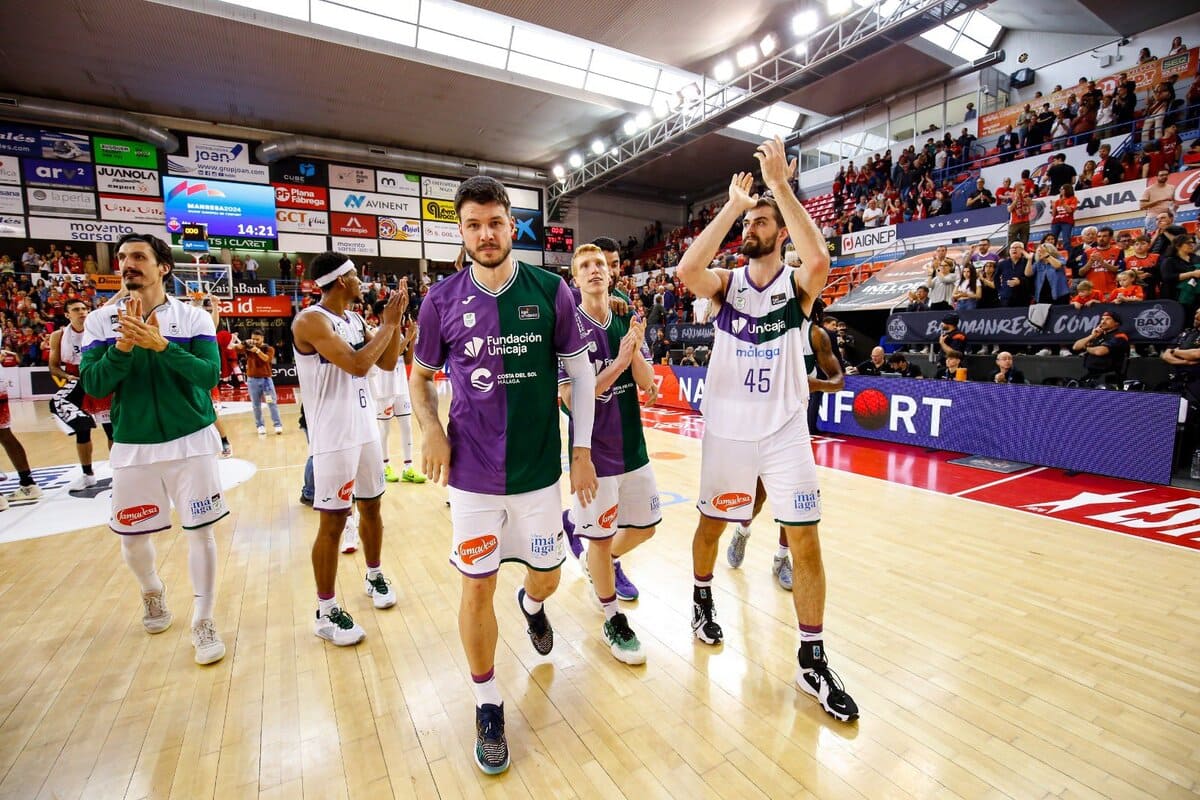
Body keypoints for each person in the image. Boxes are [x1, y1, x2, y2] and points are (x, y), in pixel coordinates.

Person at [409, 176, 598, 774]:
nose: (486, 235)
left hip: (541, 473)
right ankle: (487, 700)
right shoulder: (440, 300)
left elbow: (582, 375)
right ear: (460, 232)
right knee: (475, 585)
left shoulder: (551, 290)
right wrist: (430, 428)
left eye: (495, 222)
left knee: (546, 576)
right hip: (471, 477)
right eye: (473, 225)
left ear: (511, 225)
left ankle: (533, 606)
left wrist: (583, 449)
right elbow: (418, 377)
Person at [674, 137, 858, 722]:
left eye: (760, 222)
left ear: (780, 233)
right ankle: (702, 600)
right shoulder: (726, 285)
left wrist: (779, 186)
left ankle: (812, 658)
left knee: (807, 540)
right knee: (710, 526)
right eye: (747, 221)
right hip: (729, 430)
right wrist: (733, 205)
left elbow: (822, 261)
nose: (750, 227)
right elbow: (686, 270)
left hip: (782, 431)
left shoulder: (798, 289)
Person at [79, 233, 227, 665]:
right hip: (133, 445)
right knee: (132, 538)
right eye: (123, 257)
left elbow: (208, 376)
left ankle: (204, 617)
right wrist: (123, 348)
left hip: (192, 442)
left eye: (138, 256)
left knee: (201, 532)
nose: (128, 263)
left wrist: (161, 346)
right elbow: (94, 385)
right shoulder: (99, 323)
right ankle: (152, 590)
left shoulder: (194, 318)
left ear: (162, 267)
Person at [292, 253, 408, 649]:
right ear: (341, 280)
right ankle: (325, 611)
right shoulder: (311, 320)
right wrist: (388, 325)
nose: (363, 281)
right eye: (356, 275)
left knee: (372, 507)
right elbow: (358, 365)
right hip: (333, 437)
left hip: (365, 431)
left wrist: (398, 326)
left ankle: (374, 575)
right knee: (334, 522)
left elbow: (388, 363)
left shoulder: (356, 320)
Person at [559, 244, 659, 664]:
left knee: (647, 527)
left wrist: (634, 349)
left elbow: (649, 386)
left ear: (610, 273)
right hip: (592, 453)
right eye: (584, 266)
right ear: (575, 279)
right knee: (598, 540)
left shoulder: (623, 318)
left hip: (633, 446)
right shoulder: (566, 330)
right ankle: (612, 618)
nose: (594, 270)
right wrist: (618, 363)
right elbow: (569, 399)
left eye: (600, 264)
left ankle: (600, 559)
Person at [727, 308, 844, 589]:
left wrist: (814, 384)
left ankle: (781, 558)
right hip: (759, 427)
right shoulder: (764, 330)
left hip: (792, 432)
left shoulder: (815, 335)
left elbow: (838, 381)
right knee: (756, 498)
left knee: (793, 504)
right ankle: (743, 530)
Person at [48, 298, 114, 488]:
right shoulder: (58, 336)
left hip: (98, 380)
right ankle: (87, 474)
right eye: (76, 309)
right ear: (67, 314)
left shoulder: (98, 329)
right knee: (82, 431)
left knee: (112, 431)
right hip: (77, 381)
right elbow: (53, 367)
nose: (82, 312)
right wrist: (68, 377)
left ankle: (118, 472)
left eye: (85, 308)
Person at [370, 314, 425, 484]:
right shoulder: (376, 333)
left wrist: (413, 339)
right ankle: (384, 466)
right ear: (382, 314)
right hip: (384, 390)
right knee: (384, 430)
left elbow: (407, 360)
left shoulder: (400, 334)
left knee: (407, 427)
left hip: (401, 388)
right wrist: (408, 337)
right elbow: (391, 356)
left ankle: (408, 468)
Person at [235, 329, 283, 435]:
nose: (255, 341)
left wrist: (257, 351)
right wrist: (244, 343)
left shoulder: (268, 348)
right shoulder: (248, 348)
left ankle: (277, 425)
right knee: (256, 405)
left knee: (272, 403)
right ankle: (260, 426)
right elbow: (233, 348)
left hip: (266, 381)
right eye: (253, 339)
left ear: (262, 338)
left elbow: (266, 359)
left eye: (257, 339)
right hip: (252, 381)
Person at [1071, 310, 1130, 385]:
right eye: (1102, 319)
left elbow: (1100, 351)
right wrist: (1091, 336)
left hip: (1109, 377)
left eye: (1108, 319)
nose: (1103, 322)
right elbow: (1075, 347)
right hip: (1092, 374)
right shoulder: (1098, 335)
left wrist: (1086, 348)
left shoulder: (1120, 336)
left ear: (1116, 323)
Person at [1026, 234, 1070, 305]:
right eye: (1039, 251)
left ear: (1050, 251)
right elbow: (1028, 274)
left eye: (1042, 251)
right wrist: (1029, 260)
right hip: (1042, 295)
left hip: (1060, 294)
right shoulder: (1038, 262)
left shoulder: (1058, 258)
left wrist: (1047, 256)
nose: (1040, 253)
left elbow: (1057, 265)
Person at [995, 241, 1031, 308]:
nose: (1014, 249)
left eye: (1017, 247)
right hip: (1006, 297)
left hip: (1022, 296)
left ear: (1022, 250)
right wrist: (1000, 290)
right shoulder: (1002, 263)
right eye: (1012, 248)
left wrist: (1020, 281)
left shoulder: (1027, 262)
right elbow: (996, 278)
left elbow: (1030, 278)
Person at [1049, 184, 1078, 248]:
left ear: (1067, 190)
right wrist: (1053, 206)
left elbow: (1070, 210)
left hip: (1067, 222)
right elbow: (1054, 215)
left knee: (1066, 240)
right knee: (1052, 239)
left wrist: (1063, 203)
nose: (1060, 190)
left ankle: (1067, 254)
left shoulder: (1073, 199)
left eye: (1062, 189)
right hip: (1055, 222)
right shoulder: (1057, 201)